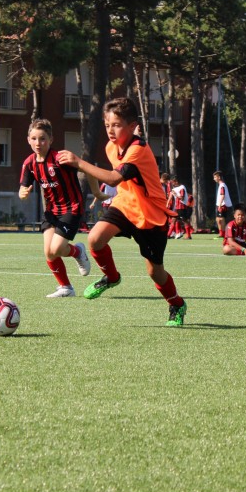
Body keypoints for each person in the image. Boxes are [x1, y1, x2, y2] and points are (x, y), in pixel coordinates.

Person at [56, 97, 187, 327]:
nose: (110, 130)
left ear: (132, 126)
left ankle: (176, 303)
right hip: (125, 204)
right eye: (107, 124)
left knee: (155, 272)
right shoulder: (111, 147)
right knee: (95, 239)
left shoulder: (138, 150)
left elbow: (114, 178)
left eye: (116, 125)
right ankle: (112, 277)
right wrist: (96, 192)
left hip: (150, 214)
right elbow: (108, 176)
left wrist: (78, 162)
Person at [19, 118, 103, 298]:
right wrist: (23, 193)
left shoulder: (61, 158)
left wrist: (96, 192)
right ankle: (66, 288)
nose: (38, 143)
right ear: (28, 140)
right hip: (51, 211)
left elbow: (89, 169)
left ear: (51, 140)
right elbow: (22, 188)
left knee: (56, 249)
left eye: (42, 139)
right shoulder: (29, 163)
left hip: (71, 208)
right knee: (48, 252)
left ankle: (78, 251)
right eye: (34, 139)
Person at [213, 170, 232, 239]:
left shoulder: (222, 186)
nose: (214, 179)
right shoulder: (221, 185)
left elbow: (223, 195)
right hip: (220, 205)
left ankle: (223, 234)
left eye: (215, 177)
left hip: (223, 205)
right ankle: (221, 233)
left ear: (219, 177)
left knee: (221, 219)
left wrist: (220, 205)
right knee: (218, 219)